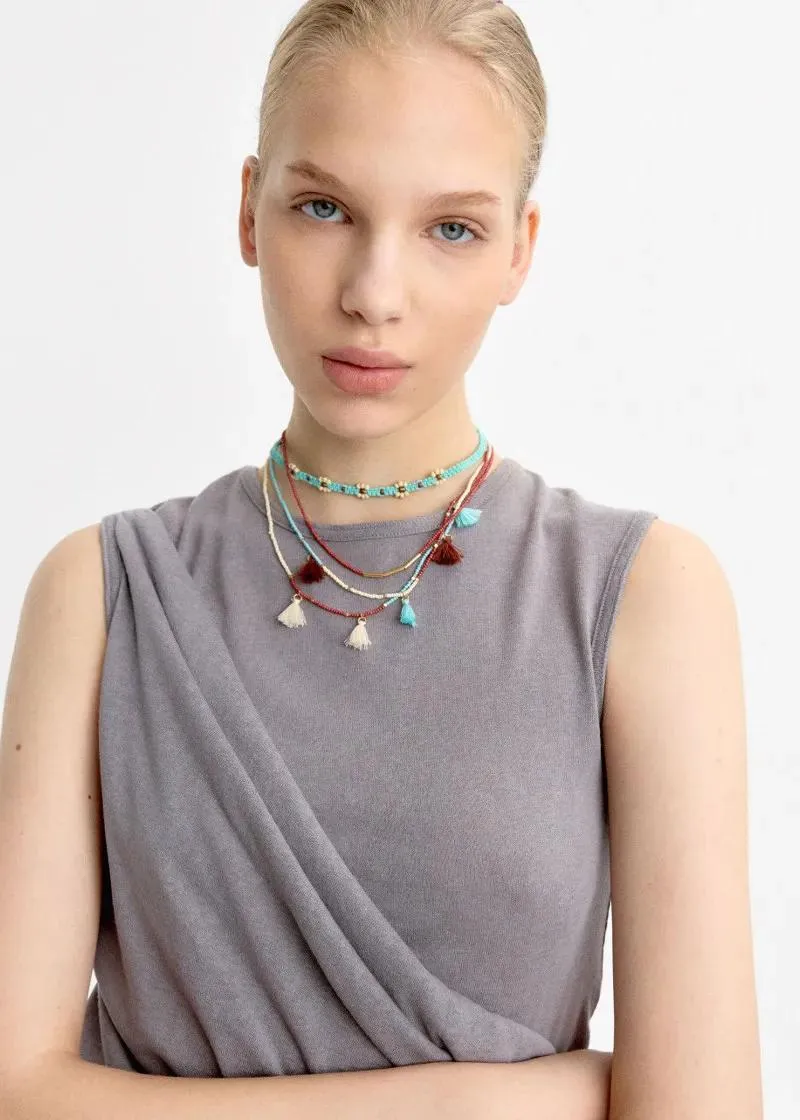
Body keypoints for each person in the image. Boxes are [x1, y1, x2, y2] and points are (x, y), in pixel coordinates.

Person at [0, 1, 763, 1117]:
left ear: (519, 249)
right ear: (249, 211)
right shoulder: (103, 595)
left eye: (450, 228)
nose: (373, 293)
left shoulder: (643, 596)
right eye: (324, 208)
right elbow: (14, 1085)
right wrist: (500, 1103)